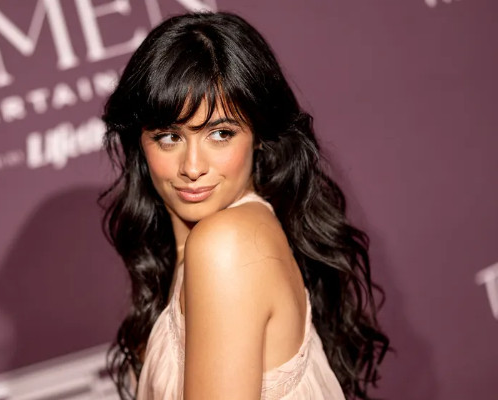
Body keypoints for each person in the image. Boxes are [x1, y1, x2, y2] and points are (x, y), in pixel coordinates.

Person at [100, 11, 389, 400]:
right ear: (140, 141)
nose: (192, 167)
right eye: (169, 137)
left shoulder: (227, 244)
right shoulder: (212, 246)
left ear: (258, 135)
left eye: (220, 134)